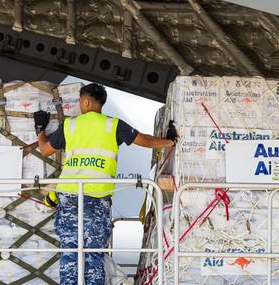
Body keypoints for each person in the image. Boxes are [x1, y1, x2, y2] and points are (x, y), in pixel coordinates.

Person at [33, 83, 177, 285]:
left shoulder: (70, 126)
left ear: (85, 101)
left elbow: (45, 150)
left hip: (69, 197)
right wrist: (169, 141)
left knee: (70, 252)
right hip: (97, 198)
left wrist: (40, 129)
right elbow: (146, 141)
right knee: (94, 255)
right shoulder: (113, 125)